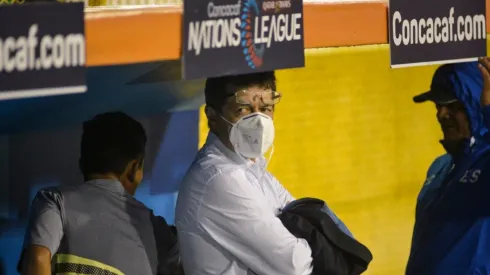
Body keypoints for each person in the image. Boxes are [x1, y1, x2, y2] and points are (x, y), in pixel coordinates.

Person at [175, 72, 352, 275]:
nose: (258, 121)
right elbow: (295, 265)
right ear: (213, 116)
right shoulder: (219, 178)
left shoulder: (252, 168)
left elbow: (315, 223)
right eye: (243, 110)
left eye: (265, 109)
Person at [19, 112, 181, 275]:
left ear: (82, 164)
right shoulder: (155, 229)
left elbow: (38, 258)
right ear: (133, 169)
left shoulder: (55, 200)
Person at [406, 60, 490, 275]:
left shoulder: (485, 163)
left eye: (453, 106)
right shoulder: (439, 168)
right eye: (438, 105)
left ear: (477, 104)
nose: (441, 114)